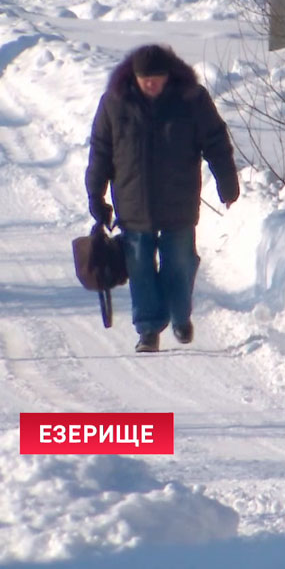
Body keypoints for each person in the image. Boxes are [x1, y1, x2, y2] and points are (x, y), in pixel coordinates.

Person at [84, 44, 240, 353]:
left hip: (178, 201)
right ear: (135, 77)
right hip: (133, 202)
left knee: (179, 263)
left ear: (169, 76)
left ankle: (180, 316)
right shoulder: (115, 103)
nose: (152, 84)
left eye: (158, 78)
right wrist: (96, 195)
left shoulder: (191, 100)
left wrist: (227, 180)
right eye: (146, 79)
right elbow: (101, 151)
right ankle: (148, 330)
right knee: (140, 266)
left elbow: (216, 141)